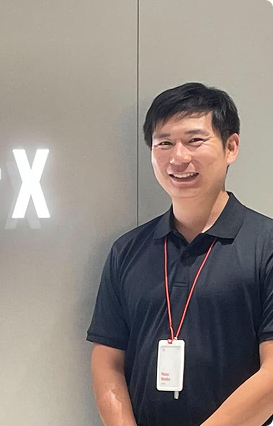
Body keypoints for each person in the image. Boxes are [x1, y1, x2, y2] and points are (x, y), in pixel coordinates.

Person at [87, 82, 273, 426]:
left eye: (195, 140)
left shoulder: (266, 244)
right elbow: (108, 360)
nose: (178, 157)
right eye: (164, 143)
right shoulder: (127, 250)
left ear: (231, 147)